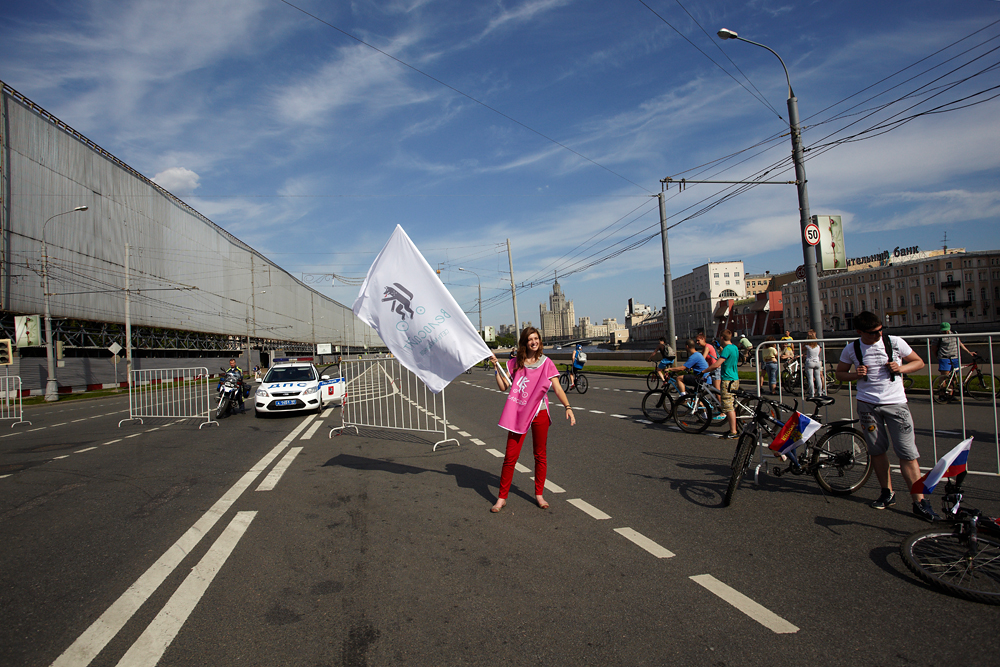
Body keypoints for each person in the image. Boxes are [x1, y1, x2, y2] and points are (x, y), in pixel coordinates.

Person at [835, 311, 937, 521]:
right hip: (867, 405)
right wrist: (856, 375)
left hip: (896, 404)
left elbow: (919, 362)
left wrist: (901, 369)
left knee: (908, 453)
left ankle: (919, 501)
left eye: (880, 330)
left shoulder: (895, 342)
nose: (878, 335)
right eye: (873, 333)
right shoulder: (851, 348)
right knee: (877, 451)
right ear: (860, 332)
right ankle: (886, 492)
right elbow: (840, 373)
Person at [489, 327, 575, 513]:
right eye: (530, 339)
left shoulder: (547, 363)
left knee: (540, 454)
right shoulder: (515, 363)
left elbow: (558, 388)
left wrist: (568, 407)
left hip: (540, 413)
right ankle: (501, 498)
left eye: (536, 338)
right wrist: (497, 368)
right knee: (510, 456)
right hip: (519, 414)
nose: (533, 342)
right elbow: (504, 387)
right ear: (524, 342)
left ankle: (539, 494)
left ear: (540, 341)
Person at [705, 329, 740, 439]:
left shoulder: (726, 349)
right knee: (732, 404)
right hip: (735, 378)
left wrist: (704, 371)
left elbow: (717, 364)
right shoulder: (734, 347)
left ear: (721, 338)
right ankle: (733, 428)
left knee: (728, 406)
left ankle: (733, 432)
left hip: (727, 380)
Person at [932, 322, 973, 399]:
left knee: (954, 376)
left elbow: (960, 343)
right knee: (944, 376)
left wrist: (968, 352)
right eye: (944, 331)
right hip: (944, 358)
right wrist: (937, 357)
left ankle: (951, 394)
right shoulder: (938, 336)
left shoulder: (954, 333)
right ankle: (941, 394)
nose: (945, 332)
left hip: (955, 357)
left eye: (946, 330)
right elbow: (933, 348)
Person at [802, 330, 825, 397]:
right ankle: (820, 392)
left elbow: (802, 348)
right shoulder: (817, 347)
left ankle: (812, 393)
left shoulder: (808, 346)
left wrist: (805, 342)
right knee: (818, 377)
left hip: (810, 362)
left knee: (810, 378)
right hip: (817, 362)